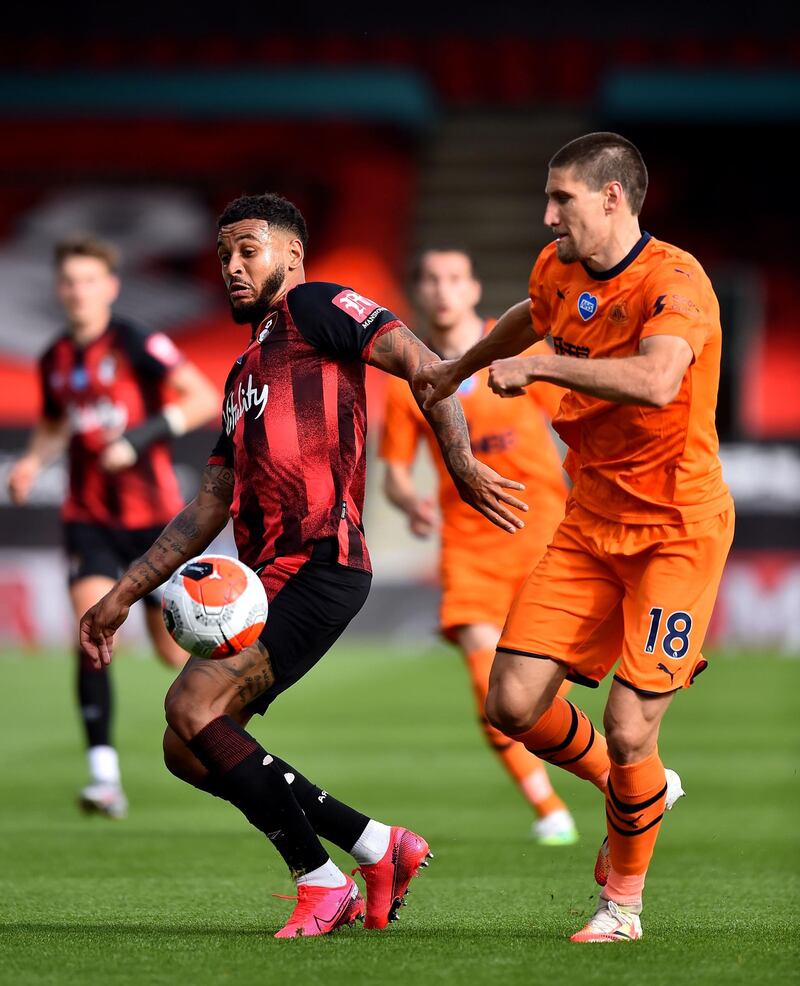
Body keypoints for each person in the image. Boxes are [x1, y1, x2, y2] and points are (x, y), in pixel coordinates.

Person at [79, 193, 527, 939]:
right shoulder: (241, 371)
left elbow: (423, 364)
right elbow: (209, 504)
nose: (232, 267)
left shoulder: (317, 307)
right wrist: (124, 593)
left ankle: (322, 885)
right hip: (268, 576)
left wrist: (460, 462)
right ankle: (377, 846)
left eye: (248, 250)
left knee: (191, 709)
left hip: (321, 558)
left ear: (291, 255)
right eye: (224, 255)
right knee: (187, 750)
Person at [415, 133, 734, 943]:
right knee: (512, 702)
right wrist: (457, 368)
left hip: (677, 532)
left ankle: (622, 904)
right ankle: (635, 793)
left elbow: (660, 378)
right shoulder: (556, 269)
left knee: (632, 726)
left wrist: (546, 371)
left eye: (561, 199)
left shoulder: (677, 281)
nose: (546, 213)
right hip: (591, 523)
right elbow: (535, 315)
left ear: (612, 198)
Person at [8, 235, 219, 819]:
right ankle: (104, 777)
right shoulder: (55, 356)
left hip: (153, 523)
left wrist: (137, 439)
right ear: (60, 289)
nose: (78, 291)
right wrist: (32, 460)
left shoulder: (134, 341)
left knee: (171, 652)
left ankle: (221, 747)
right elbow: (56, 424)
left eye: (89, 280)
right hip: (89, 517)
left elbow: (200, 397)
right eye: (69, 282)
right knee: (92, 636)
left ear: (110, 286)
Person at [380, 247, 578, 845]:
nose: (443, 290)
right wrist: (405, 499)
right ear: (419, 293)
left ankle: (609, 779)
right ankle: (548, 808)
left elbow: (575, 419)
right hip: (469, 549)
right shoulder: (409, 377)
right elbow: (392, 469)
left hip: (544, 537)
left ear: (472, 289)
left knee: (539, 696)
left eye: (454, 279)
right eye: (431, 279)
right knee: (489, 686)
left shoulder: (517, 351)